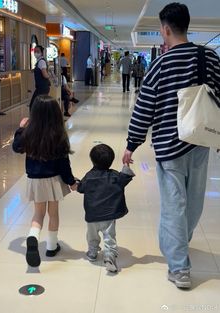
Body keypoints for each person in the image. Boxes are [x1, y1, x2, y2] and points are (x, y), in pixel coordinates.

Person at [122, 2, 220, 289]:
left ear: (165, 29)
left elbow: (144, 108)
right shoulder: (210, 58)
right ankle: (178, 246)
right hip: (200, 142)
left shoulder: (160, 65)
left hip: (169, 147)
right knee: (193, 203)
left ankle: (178, 267)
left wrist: (131, 143)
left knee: (174, 205)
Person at [12, 95, 77, 267]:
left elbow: (16, 147)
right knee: (53, 213)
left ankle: (33, 236)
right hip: (54, 180)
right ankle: (51, 246)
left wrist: (20, 129)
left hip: (35, 180)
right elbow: (64, 164)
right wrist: (71, 181)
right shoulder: (59, 134)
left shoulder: (29, 133)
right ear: (56, 114)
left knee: (38, 213)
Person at [77, 144, 135, 273]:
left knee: (91, 235)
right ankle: (109, 256)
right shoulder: (114, 176)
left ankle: (92, 252)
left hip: (92, 215)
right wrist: (126, 165)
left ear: (92, 160)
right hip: (109, 215)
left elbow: (81, 188)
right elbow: (125, 177)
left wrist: (76, 183)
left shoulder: (89, 176)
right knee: (109, 236)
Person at [29, 45, 50, 111]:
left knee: (33, 105)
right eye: (35, 51)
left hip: (42, 87)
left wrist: (49, 76)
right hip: (42, 87)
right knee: (39, 105)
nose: (36, 53)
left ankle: (37, 120)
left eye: (38, 51)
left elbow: (45, 75)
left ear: (41, 52)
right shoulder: (39, 61)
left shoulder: (41, 62)